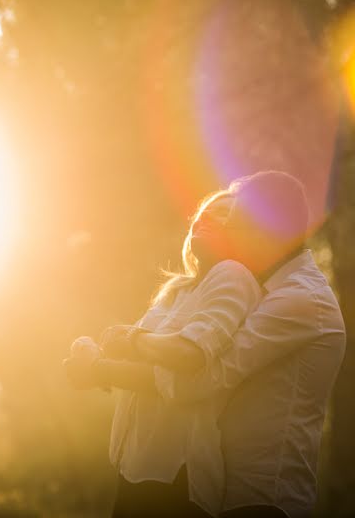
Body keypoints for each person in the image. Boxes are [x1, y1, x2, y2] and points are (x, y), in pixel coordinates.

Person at [68, 171, 346, 518]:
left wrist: (121, 354)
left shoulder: (299, 299)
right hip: (230, 493)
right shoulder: (265, 289)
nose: (229, 230)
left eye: (240, 221)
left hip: (264, 499)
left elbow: (203, 377)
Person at [65, 187, 262, 517]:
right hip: (136, 464)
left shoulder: (233, 275)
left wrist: (109, 360)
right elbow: (146, 359)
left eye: (224, 215)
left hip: (176, 473)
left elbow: (187, 359)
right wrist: (94, 362)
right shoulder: (177, 290)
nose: (206, 218)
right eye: (203, 213)